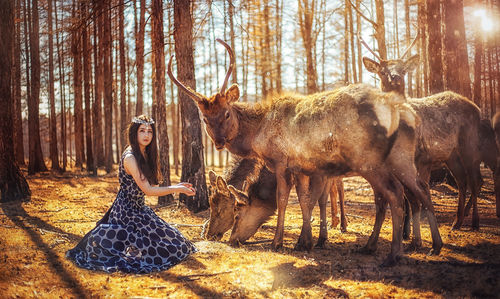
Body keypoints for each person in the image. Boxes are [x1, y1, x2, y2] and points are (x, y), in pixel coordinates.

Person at [66, 115, 197, 273]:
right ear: (134, 133)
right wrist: (178, 188)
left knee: (179, 244)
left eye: (149, 131)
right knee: (157, 252)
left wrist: (178, 185)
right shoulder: (130, 158)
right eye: (142, 131)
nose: (146, 135)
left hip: (140, 209)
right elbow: (148, 190)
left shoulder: (144, 153)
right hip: (126, 213)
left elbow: (149, 185)